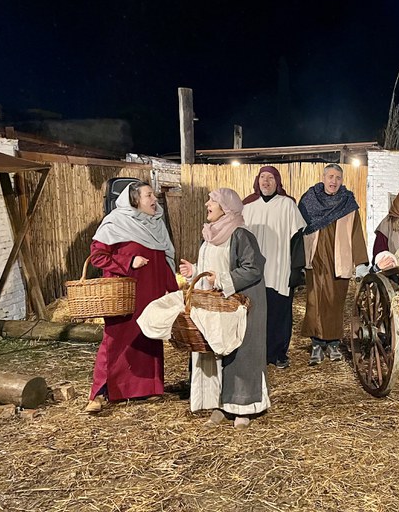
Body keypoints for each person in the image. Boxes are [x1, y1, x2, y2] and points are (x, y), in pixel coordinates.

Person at [178, 188, 269, 429]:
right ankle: (219, 404)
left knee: (240, 353)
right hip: (215, 305)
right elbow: (212, 267)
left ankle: (243, 407)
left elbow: (253, 268)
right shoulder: (210, 234)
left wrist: (222, 280)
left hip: (240, 304)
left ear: (226, 208)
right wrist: (195, 271)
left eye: (213, 201)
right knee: (215, 351)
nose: (207, 204)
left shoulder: (241, 234)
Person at [86, 181, 178, 413]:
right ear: (134, 200)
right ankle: (99, 393)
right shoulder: (115, 222)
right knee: (115, 341)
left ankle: (147, 388)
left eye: (153, 195)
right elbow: (98, 257)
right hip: (126, 295)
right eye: (149, 195)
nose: (154, 199)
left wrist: (174, 292)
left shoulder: (157, 225)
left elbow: (165, 261)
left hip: (152, 293)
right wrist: (128, 261)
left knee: (148, 338)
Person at [298, 163, 368, 365]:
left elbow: (356, 232)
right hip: (315, 258)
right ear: (323, 178)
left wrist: (361, 262)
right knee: (315, 302)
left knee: (335, 302)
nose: (334, 181)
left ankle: (333, 343)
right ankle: (317, 344)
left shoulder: (347, 203)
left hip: (339, 259)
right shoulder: (309, 200)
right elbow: (297, 229)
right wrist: (296, 259)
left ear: (342, 180)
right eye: (330, 177)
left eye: (338, 177)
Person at [242, 166, 306, 369]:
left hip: (280, 269)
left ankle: (278, 353)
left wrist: (296, 270)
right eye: (263, 177)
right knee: (254, 313)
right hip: (254, 271)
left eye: (270, 178)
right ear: (257, 181)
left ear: (277, 182)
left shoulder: (287, 205)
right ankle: (255, 353)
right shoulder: (248, 207)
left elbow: (297, 239)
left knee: (279, 313)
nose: (266, 181)